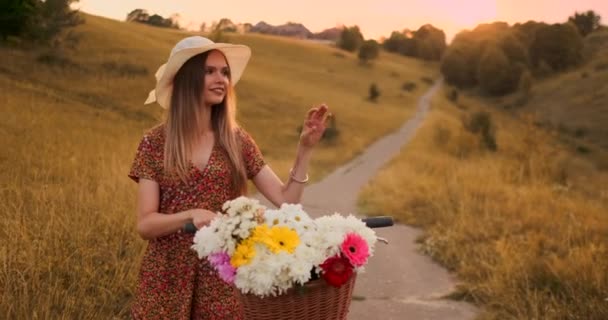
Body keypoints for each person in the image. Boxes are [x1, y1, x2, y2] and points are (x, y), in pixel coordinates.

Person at [128, 36, 330, 319]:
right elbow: (146, 224)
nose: (221, 79)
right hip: (166, 276)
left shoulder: (237, 141)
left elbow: (286, 201)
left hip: (222, 274)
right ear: (187, 78)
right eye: (209, 71)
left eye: (225, 72)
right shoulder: (154, 142)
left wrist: (305, 149)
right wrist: (191, 215)